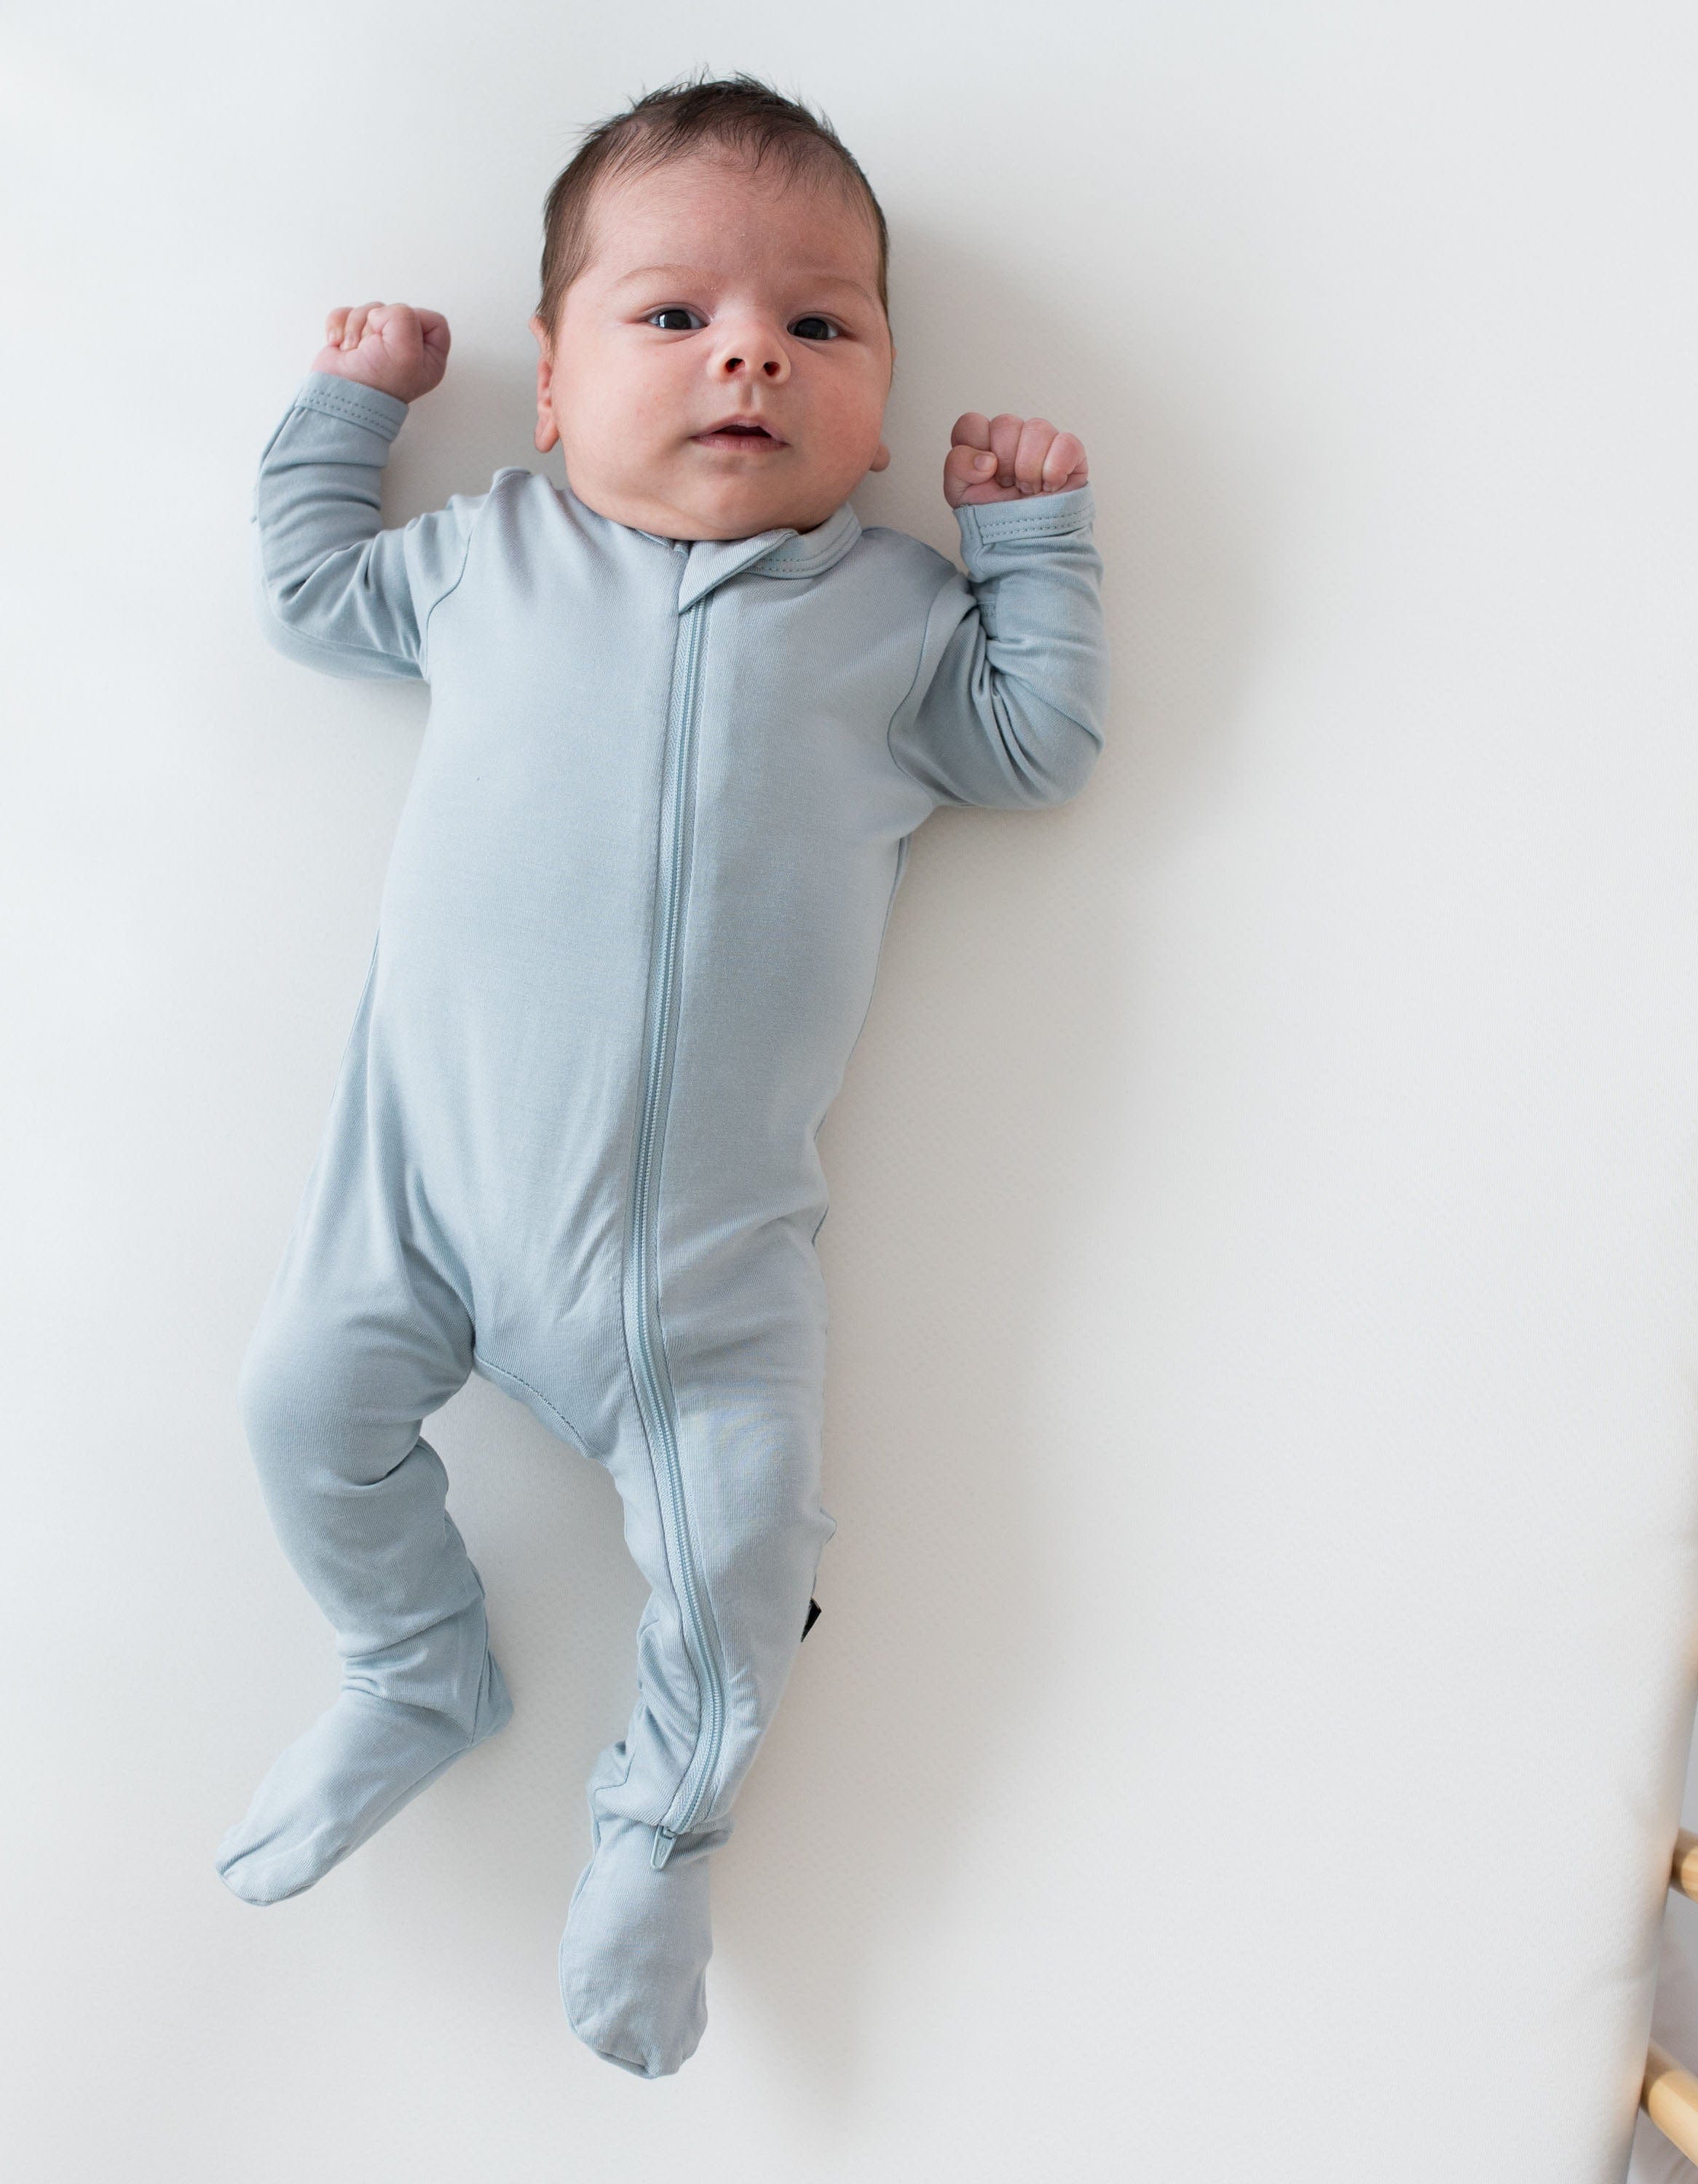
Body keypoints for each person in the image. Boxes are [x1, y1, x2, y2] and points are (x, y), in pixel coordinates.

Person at [216, 70, 1109, 2079]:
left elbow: (1040, 744)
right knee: (297, 1403)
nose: (749, 359)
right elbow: (301, 591)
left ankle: (655, 1825)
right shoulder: (481, 560)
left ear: (882, 399)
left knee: (751, 1537)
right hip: (421, 1201)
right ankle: (414, 1661)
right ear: (547, 386)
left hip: (698, 1282)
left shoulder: (893, 621)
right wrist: (347, 411)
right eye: (674, 317)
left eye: (819, 325)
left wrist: (1031, 539)